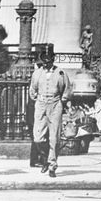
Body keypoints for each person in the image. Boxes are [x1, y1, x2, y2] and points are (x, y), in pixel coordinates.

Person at [28, 43, 71, 178]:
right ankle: (45, 157)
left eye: (49, 59)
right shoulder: (37, 73)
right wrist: (38, 99)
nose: (46, 62)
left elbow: (67, 89)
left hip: (55, 105)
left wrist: (61, 101)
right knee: (38, 136)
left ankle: (52, 165)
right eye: (44, 58)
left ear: (53, 59)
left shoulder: (60, 73)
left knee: (54, 138)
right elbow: (32, 90)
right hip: (41, 104)